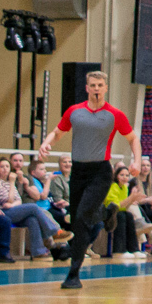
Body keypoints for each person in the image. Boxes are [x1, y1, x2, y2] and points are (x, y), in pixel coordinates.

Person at [39, 70, 138, 290]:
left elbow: (133, 139)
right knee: (76, 219)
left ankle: (73, 273)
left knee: (83, 218)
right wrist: (47, 143)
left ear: (105, 88)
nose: (96, 89)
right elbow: (58, 131)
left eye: (100, 85)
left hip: (100, 172)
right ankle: (107, 213)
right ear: (87, 88)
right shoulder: (75, 111)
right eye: (92, 85)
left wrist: (137, 161)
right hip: (78, 171)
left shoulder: (114, 114)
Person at [0, 158, 69, 260]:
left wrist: (12, 204)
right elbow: (7, 199)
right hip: (2, 213)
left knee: (32, 220)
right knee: (33, 207)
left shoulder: (9, 183)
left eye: (7, 166)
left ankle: (38, 252)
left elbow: (18, 200)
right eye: (2, 166)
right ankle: (54, 232)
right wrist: (12, 183)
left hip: (12, 209)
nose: (5, 169)